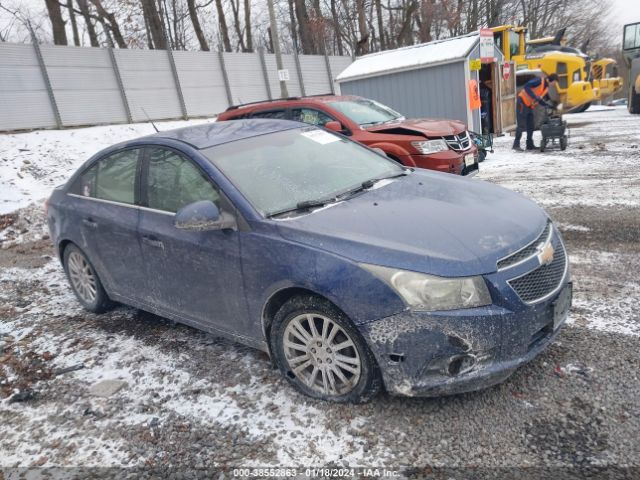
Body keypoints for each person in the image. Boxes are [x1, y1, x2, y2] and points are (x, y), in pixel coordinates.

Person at [513, 73, 559, 151]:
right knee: (521, 125)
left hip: (529, 105)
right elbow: (526, 86)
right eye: (554, 82)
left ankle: (529, 145)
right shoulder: (539, 81)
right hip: (522, 102)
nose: (554, 84)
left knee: (531, 125)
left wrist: (549, 106)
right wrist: (534, 97)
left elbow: (540, 100)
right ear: (551, 80)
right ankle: (516, 144)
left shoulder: (546, 88)